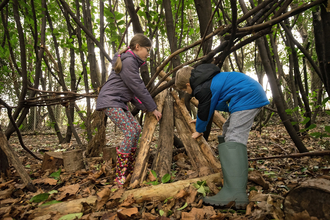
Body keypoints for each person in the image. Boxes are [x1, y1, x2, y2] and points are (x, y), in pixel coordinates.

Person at [175, 63, 269, 209]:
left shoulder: (202, 87)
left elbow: (205, 108)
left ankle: (236, 193)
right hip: (246, 96)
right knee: (227, 130)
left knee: (234, 137)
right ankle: (232, 182)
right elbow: (212, 104)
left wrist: (199, 129)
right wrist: (200, 119)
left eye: (184, 89)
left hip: (247, 98)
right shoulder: (208, 81)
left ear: (188, 84)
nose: (187, 92)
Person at [96, 33, 162, 187]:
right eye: (147, 49)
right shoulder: (129, 61)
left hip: (118, 102)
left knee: (136, 129)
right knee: (130, 131)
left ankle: (129, 167)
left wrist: (144, 107)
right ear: (137, 47)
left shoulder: (130, 61)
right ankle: (120, 174)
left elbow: (131, 92)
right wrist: (153, 108)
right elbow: (138, 87)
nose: (148, 53)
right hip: (110, 101)